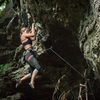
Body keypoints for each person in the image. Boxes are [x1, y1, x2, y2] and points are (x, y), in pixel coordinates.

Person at [16, 23, 41, 89]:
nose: (27, 31)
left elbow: (34, 38)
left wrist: (32, 30)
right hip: (28, 54)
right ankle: (31, 82)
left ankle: (20, 80)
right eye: (26, 30)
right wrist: (32, 26)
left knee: (32, 72)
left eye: (28, 31)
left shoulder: (27, 36)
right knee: (38, 67)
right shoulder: (23, 35)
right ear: (22, 31)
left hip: (29, 55)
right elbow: (33, 34)